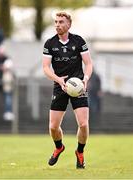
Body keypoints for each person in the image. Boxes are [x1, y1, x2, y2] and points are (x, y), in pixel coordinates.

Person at [42, 12, 93, 169]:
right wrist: (59, 80)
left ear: (69, 24)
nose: (57, 24)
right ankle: (59, 147)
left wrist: (85, 79)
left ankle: (80, 152)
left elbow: (89, 64)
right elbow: (45, 67)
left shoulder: (78, 41)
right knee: (52, 127)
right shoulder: (50, 44)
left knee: (83, 124)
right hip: (60, 85)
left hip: (78, 86)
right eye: (56, 22)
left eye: (61, 22)